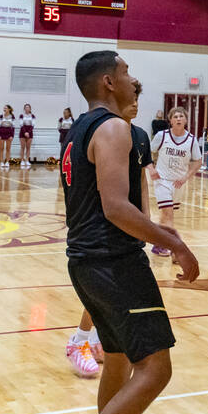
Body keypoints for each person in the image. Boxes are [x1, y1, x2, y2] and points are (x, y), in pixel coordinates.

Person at [32, 51, 199, 414]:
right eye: (126, 72)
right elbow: (115, 207)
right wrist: (175, 241)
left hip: (86, 263)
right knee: (157, 369)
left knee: (119, 362)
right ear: (108, 81)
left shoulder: (79, 129)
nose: (133, 78)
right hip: (114, 263)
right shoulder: (114, 129)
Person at [67, 79, 153, 378]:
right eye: (132, 95)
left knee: (113, 299)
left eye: (138, 97)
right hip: (100, 231)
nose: (135, 102)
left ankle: (96, 339)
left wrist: (147, 223)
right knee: (103, 293)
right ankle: (79, 339)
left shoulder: (139, 136)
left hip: (126, 232)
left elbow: (140, 182)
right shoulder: (99, 130)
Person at [147, 107, 202, 258]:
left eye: (181, 116)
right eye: (175, 116)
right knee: (168, 214)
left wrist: (186, 177)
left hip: (179, 183)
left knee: (165, 217)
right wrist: (151, 169)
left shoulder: (191, 140)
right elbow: (146, 153)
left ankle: (158, 245)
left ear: (185, 120)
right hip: (162, 180)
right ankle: (173, 247)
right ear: (170, 121)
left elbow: (198, 161)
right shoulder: (161, 135)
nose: (178, 119)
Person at [0, 105, 16, 170]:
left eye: (6, 108)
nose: (4, 109)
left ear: (9, 109)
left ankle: (7, 162)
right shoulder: (1, 116)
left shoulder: (12, 116)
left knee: (8, 149)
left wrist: (12, 136)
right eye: (4, 108)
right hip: (2, 132)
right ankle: (1, 162)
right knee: (1, 148)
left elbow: (13, 127)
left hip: (9, 133)